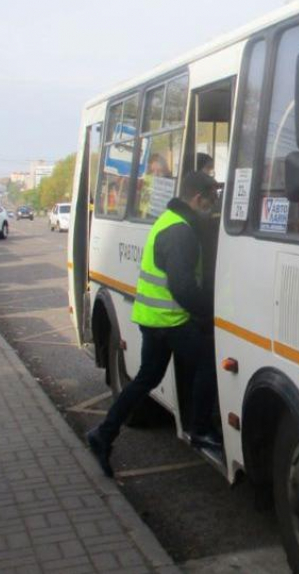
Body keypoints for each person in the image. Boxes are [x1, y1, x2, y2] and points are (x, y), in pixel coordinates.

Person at [86, 171, 221, 477]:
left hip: (153, 319)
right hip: (169, 321)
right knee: (206, 364)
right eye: (211, 201)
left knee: (146, 379)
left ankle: (103, 434)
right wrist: (210, 314)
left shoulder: (170, 219)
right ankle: (200, 429)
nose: (213, 207)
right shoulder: (181, 232)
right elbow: (183, 287)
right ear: (197, 198)